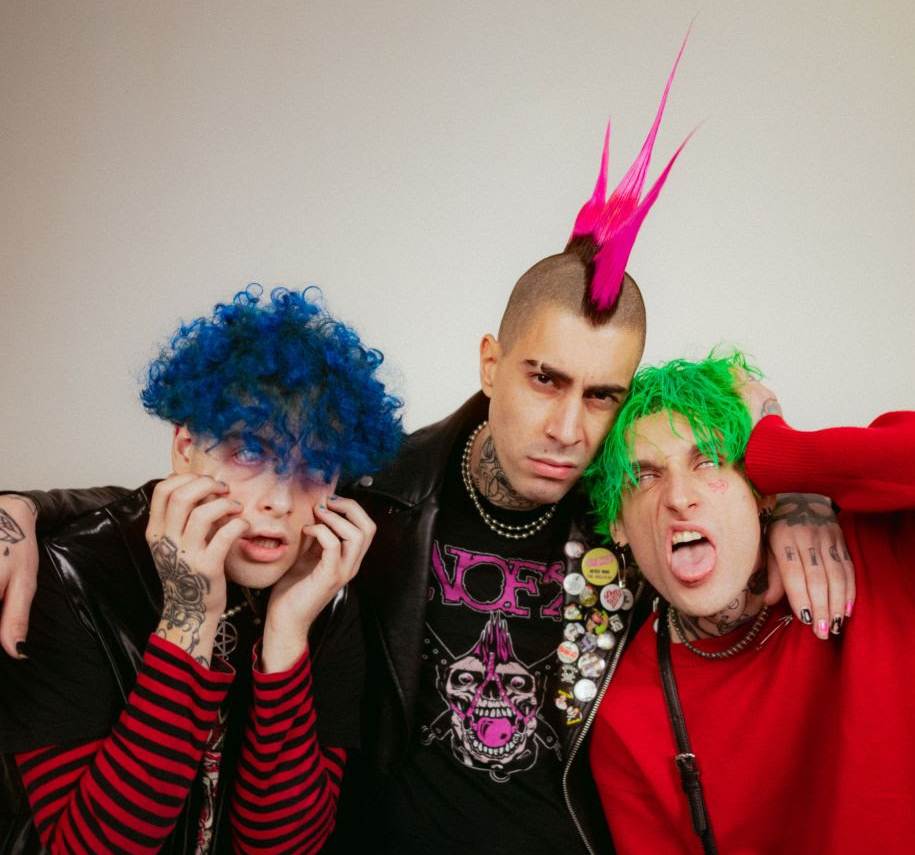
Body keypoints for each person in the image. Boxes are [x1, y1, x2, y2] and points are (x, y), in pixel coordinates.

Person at [0, 41, 853, 855]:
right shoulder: (377, 492)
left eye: (602, 396)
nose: (567, 428)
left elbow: (717, 505)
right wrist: (22, 510)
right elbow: (192, 492)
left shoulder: (632, 512)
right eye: (544, 379)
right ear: (491, 363)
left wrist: (796, 497)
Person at [0, 286, 403, 853]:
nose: (280, 501)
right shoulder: (74, 577)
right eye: (249, 453)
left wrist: (288, 634)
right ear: (184, 448)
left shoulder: (326, 594)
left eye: (315, 465)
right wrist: (189, 616)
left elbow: (282, 848)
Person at [586, 351, 915, 854]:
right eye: (645, 477)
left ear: (761, 491)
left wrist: (780, 447)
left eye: (709, 461)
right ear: (618, 526)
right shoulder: (627, 717)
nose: (679, 497)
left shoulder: (874, 554)